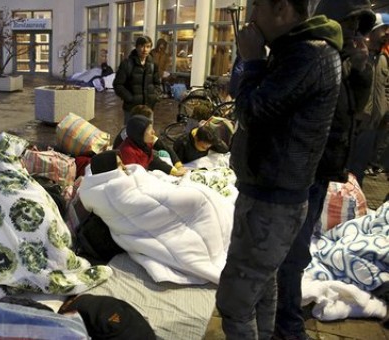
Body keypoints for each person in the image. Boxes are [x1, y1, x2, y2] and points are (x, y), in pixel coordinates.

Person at [215, 1, 343, 339]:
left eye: (255, 7)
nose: (252, 17)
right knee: (263, 286)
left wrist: (252, 59)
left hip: (273, 199)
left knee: (235, 299)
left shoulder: (307, 55)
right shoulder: (299, 50)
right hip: (272, 192)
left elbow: (252, 112)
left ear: (282, 9)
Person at [272, 2, 376, 340]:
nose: (356, 36)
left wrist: (361, 71)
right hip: (299, 174)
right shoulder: (315, 57)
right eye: (352, 26)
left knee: (296, 249)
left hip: (319, 173)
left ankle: (280, 317)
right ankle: (285, 323)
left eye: (361, 30)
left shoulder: (342, 63)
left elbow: (356, 113)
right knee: (293, 251)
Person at [78, 150, 233, 285]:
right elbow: (149, 204)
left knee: (202, 195)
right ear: (108, 172)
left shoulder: (108, 187)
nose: (125, 167)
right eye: (119, 165)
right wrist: (194, 195)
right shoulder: (113, 193)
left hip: (165, 198)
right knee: (200, 199)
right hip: (166, 225)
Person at [360, 13, 389, 178]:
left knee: (360, 168)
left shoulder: (384, 59)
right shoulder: (361, 55)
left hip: (375, 123)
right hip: (359, 124)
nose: (387, 33)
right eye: (384, 28)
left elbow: (386, 87)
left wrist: (386, 108)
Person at [113, 36, 162, 123]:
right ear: (137, 47)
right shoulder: (127, 63)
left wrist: (155, 96)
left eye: (148, 47)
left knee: (147, 132)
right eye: (142, 46)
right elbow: (118, 84)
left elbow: (157, 83)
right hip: (132, 108)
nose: (145, 49)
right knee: (130, 133)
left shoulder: (153, 64)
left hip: (148, 107)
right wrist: (130, 98)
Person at [118, 115, 187, 176]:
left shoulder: (145, 143)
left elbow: (152, 160)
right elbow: (132, 177)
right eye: (149, 130)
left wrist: (174, 170)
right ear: (139, 135)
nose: (153, 132)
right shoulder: (127, 152)